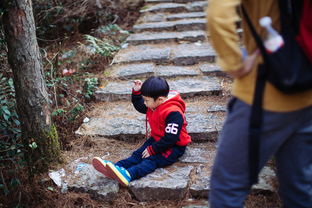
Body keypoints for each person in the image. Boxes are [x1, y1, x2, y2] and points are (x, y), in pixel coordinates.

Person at [206, 0, 312, 207]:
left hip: (265, 95)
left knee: (227, 186)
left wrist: (234, 64)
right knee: (299, 188)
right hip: (307, 95)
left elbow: (218, 13)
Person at [92, 76, 191, 186]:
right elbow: (139, 106)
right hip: (157, 139)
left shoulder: (173, 113)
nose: (144, 103)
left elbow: (170, 139)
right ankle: (116, 167)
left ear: (160, 100)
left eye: (146, 100)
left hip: (174, 147)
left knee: (151, 160)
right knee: (138, 154)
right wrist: (136, 92)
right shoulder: (154, 104)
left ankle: (129, 174)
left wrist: (152, 150)